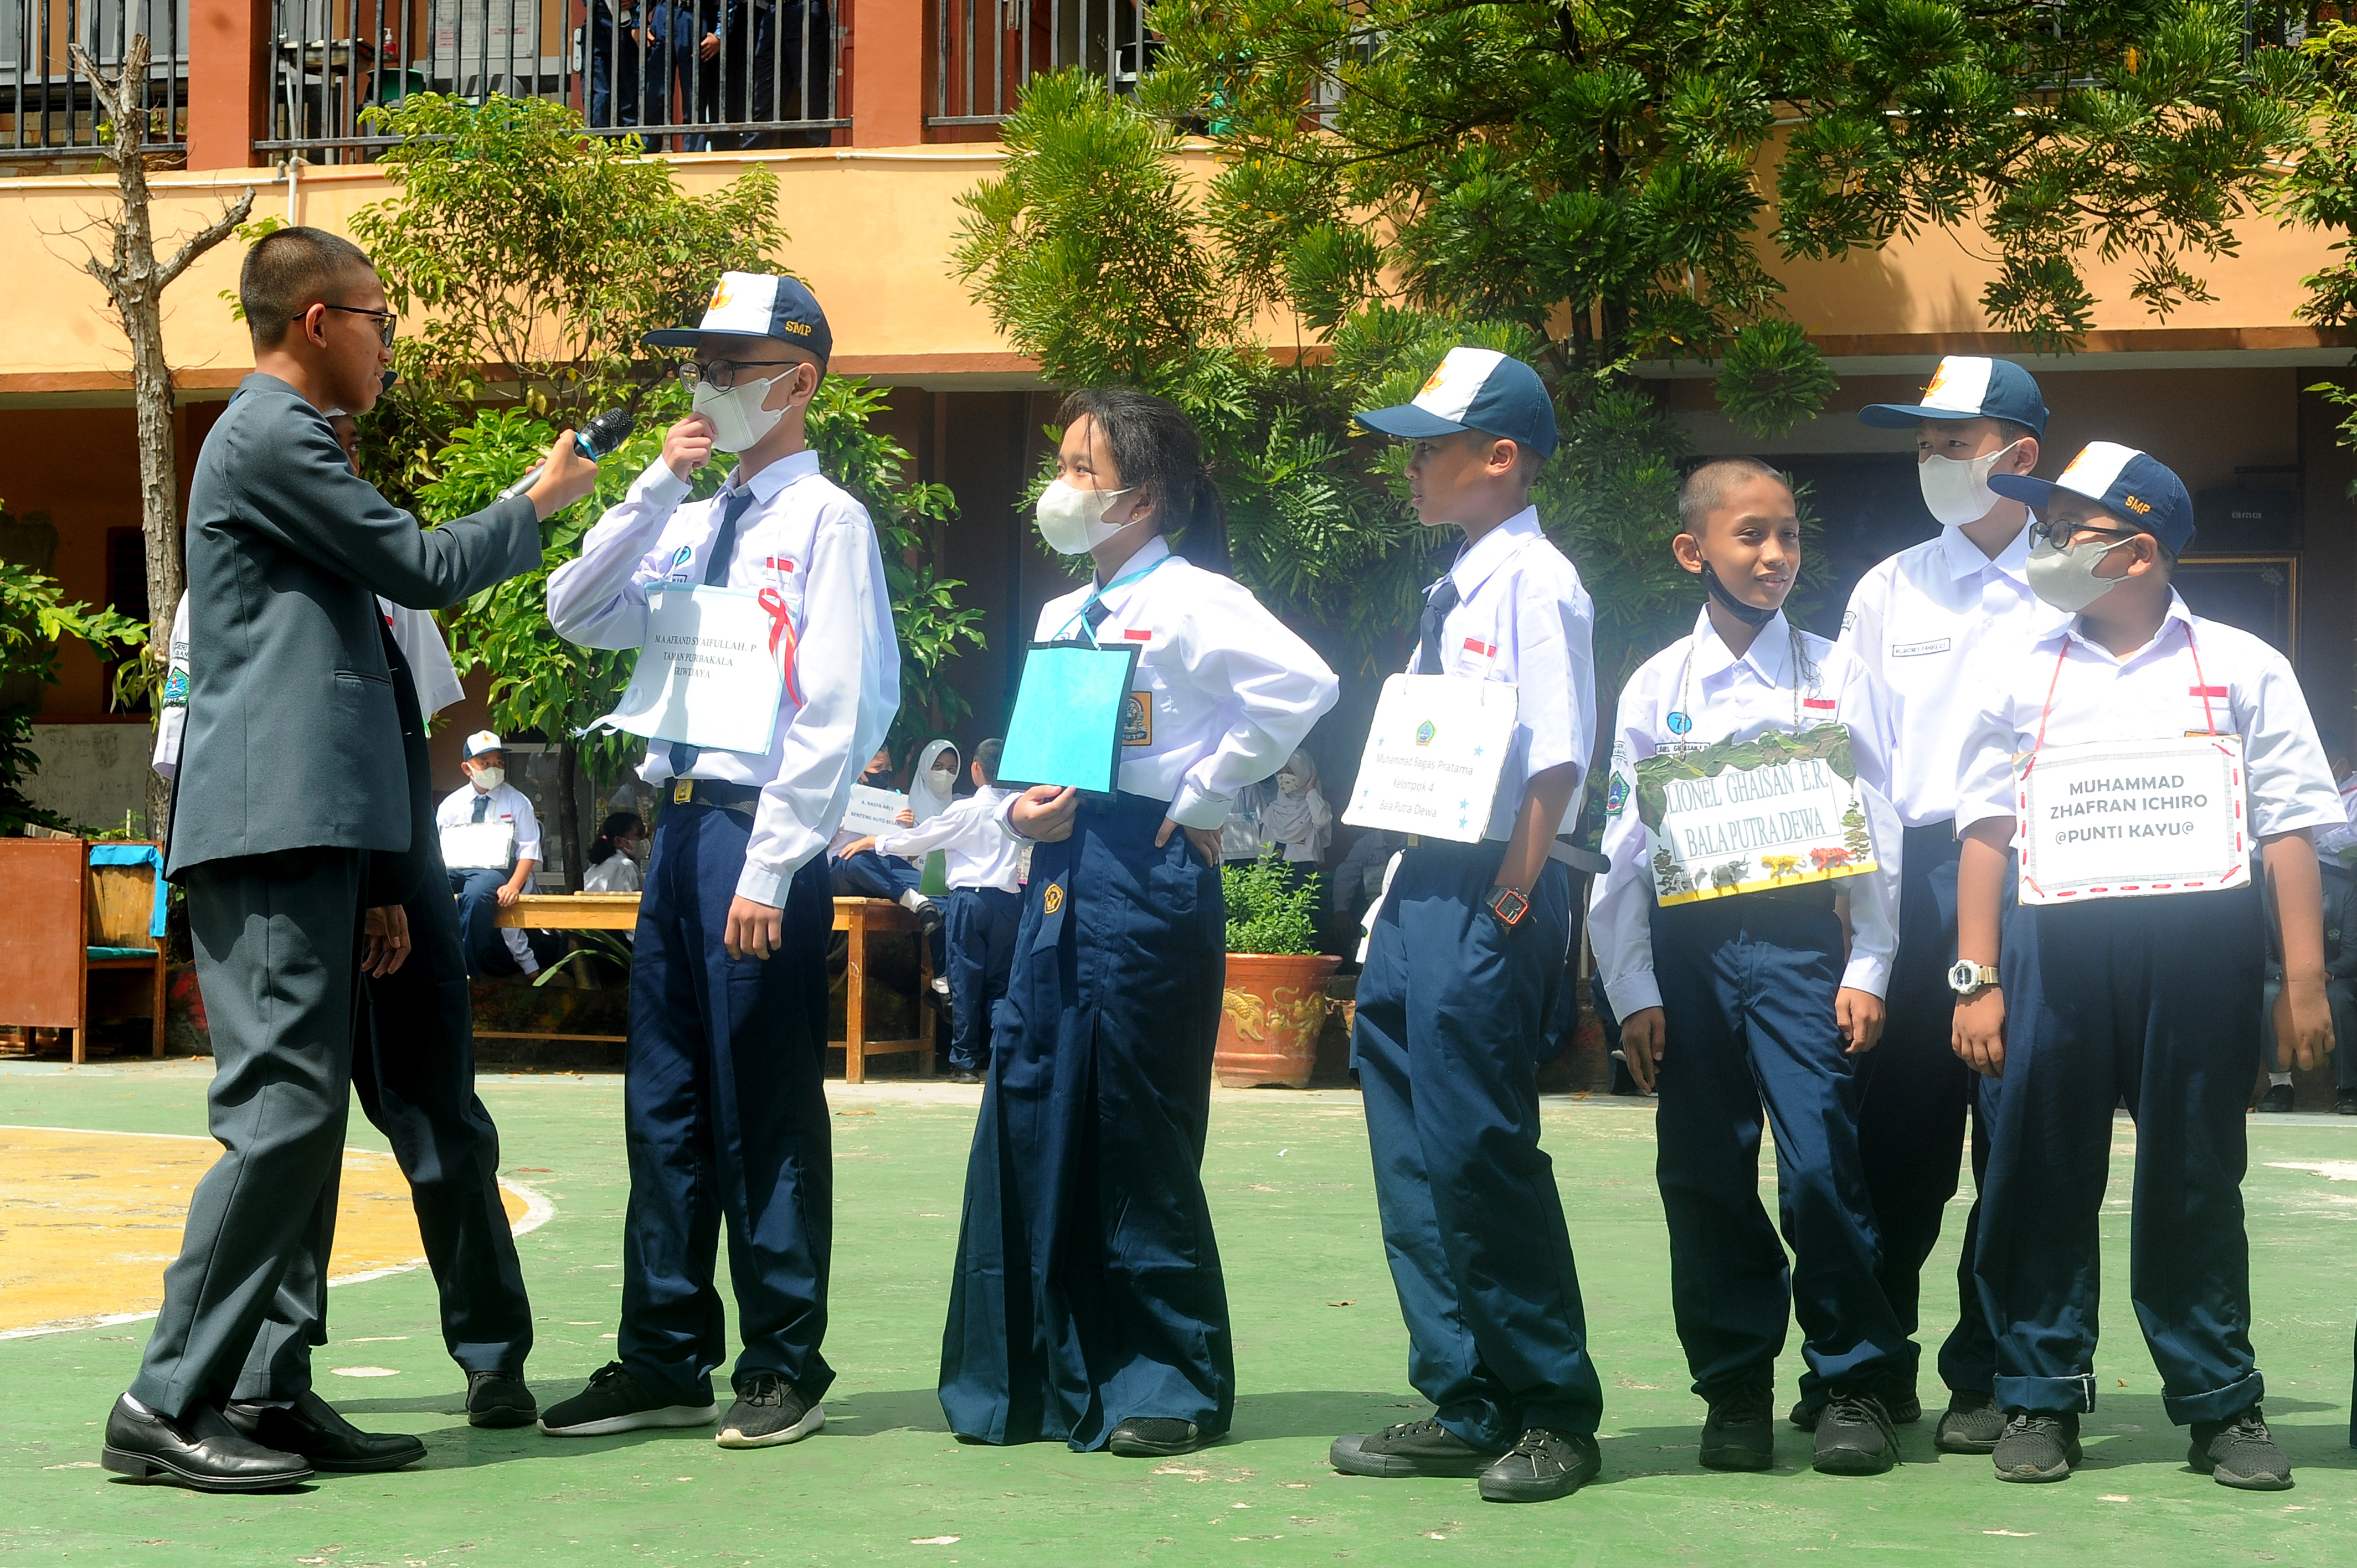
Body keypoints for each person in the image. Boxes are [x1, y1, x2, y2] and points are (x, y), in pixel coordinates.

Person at [103, 225, 591, 1492]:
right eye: (378, 318)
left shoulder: (282, 442)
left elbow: (361, 671)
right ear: (317, 322)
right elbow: (420, 566)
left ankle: (264, 1389)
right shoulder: (275, 435)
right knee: (281, 1113)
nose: (389, 342)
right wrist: (539, 501)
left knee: (306, 1117)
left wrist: (380, 872)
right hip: (269, 830)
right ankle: (164, 1398)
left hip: (313, 831)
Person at [939, 386, 1338, 1458]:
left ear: (1143, 498)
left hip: (1148, 869)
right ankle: (1027, 1372)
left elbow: (1304, 685)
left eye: (1083, 469)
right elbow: (1040, 756)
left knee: (1133, 1120)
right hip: (1057, 870)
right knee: (1032, 1100)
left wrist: (1204, 792)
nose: (1059, 487)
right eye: (1061, 464)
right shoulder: (1059, 616)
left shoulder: (1197, 600)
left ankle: (1162, 1381)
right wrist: (1020, 812)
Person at [542, 270, 899, 1450]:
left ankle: (784, 1357)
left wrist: (775, 862)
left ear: (797, 381)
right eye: (699, 364)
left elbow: (841, 706)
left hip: (756, 832)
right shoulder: (690, 518)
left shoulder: (827, 522)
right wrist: (653, 488)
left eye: (729, 366)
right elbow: (575, 610)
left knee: (764, 1101)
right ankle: (663, 1353)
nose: (706, 385)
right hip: (679, 824)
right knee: (666, 1100)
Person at [146, 404, 544, 1436]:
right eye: (320, 442)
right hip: (296, 864)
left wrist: (393, 881)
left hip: (396, 865)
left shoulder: (386, 571)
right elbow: (195, 747)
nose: (337, 458)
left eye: (345, 446)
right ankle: (270, 1375)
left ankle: (492, 1353)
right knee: (297, 1125)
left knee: (442, 1119)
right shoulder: (227, 587)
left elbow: (412, 730)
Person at [1953, 442, 2341, 1489]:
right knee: (2039, 1171)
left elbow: (2291, 825)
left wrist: (2302, 982)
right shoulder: (2019, 668)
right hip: (2053, 953)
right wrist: (1976, 976)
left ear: (2138, 548)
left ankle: (2220, 1402)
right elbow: (1985, 828)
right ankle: (2038, 1393)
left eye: (2065, 526)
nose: (2045, 543)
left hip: (2201, 956)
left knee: (2196, 1173)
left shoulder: (2243, 664)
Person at [1588, 458, 1910, 1476]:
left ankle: (1854, 1381)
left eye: (1789, 536)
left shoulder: (1835, 674)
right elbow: (1620, 851)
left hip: (1799, 948)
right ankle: (1734, 1385)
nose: (1775, 556)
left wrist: (1870, 961)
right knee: (1703, 1171)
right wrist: (1632, 988)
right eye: (1750, 536)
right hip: (1686, 954)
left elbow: (1880, 827)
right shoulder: (1656, 686)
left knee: (1820, 1163)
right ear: (1694, 552)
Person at [1328, 347, 1605, 1505]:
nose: (1409, 465)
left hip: (1491, 882)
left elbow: (1558, 758)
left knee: (1481, 1150)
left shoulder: (1538, 581)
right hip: (1422, 883)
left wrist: (1511, 896)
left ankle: (1551, 1408)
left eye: (1429, 446)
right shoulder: (1457, 584)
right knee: (1411, 1153)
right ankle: (1466, 1396)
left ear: (1500, 457)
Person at [1830, 354, 2068, 1453]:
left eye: (1951, 441)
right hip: (1916, 881)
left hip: (2053, 879)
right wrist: (1858, 912)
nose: (1930, 458)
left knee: (2021, 1142)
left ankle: (1992, 1369)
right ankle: (1872, 1370)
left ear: (2018, 455)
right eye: (1923, 442)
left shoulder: (2077, 579)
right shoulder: (1887, 589)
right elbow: (1854, 762)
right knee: (1894, 1142)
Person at [839, 738, 1018, 1084]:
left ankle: (965, 1062)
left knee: (965, 981)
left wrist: (877, 841)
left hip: (970, 899)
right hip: (1008, 901)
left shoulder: (965, 810)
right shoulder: (1017, 809)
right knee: (1000, 984)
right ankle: (1003, 1060)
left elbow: (924, 839)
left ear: (975, 769)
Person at [437, 731, 545, 979]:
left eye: (499, 763)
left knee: (477, 895)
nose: (493, 769)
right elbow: (438, 848)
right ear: (467, 768)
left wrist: (514, 885)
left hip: (495, 871)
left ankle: (461, 969)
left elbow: (529, 849)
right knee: (425, 890)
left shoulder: (518, 802)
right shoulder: (451, 805)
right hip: (455, 866)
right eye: (485, 763)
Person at [828, 742, 944, 933]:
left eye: (888, 767)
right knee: (858, 861)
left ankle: (937, 922)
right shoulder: (844, 797)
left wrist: (909, 828)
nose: (885, 772)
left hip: (889, 867)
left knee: (938, 898)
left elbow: (912, 856)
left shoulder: (897, 801)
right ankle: (916, 902)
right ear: (861, 770)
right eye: (878, 768)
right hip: (847, 870)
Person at [583, 810, 648, 894]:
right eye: (639, 834)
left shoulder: (593, 869)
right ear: (619, 842)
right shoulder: (625, 867)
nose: (643, 839)